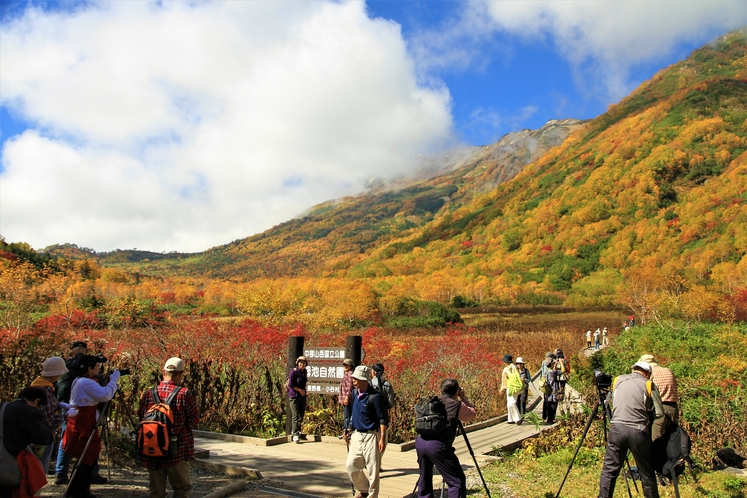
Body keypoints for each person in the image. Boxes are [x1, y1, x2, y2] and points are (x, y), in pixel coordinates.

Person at [598, 361, 664, 498]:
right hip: (638, 430)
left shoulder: (618, 380)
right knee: (646, 471)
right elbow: (660, 413)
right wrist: (648, 414)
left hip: (616, 428)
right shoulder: (648, 384)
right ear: (647, 373)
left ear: (633, 369)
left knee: (610, 469)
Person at [138, 357, 200, 498]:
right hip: (176, 450)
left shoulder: (149, 393)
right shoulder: (184, 394)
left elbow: (141, 416)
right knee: (181, 489)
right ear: (181, 374)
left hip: (152, 449)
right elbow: (195, 420)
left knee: (156, 493)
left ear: (163, 372)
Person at [63, 355, 120, 498]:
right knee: (87, 456)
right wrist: (113, 380)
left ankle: (78, 489)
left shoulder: (80, 380)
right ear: (89, 368)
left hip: (82, 420)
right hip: (84, 423)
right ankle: (80, 491)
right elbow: (105, 395)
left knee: (86, 457)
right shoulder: (86, 382)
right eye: (96, 366)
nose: (99, 369)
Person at [415, 378, 476, 498]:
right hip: (438, 446)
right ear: (456, 391)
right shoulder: (457, 405)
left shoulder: (432, 402)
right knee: (456, 481)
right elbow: (472, 414)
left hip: (420, 442)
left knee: (424, 478)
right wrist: (463, 397)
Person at [0, 387, 54, 498]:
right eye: (40, 407)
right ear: (37, 401)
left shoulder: (3, 406)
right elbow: (43, 437)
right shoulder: (29, 411)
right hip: (10, 463)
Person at [344, 365, 387, 498]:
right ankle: (364, 489)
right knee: (351, 465)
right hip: (356, 435)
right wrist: (348, 428)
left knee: (373, 470)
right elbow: (353, 414)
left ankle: (372, 496)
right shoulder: (354, 393)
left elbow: (383, 419)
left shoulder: (375, 396)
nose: (354, 380)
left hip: (371, 435)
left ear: (364, 380)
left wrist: (382, 438)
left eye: (356, 378)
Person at [55, 341, 90, 486]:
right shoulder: (87, 365)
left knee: (66, 436)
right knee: (88, 438)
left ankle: (61, 472)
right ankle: (89, 472)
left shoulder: (65, 365)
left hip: (65, 404)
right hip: (84, 406)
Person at [29, 356, 70, 475]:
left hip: (32, 435)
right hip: (42, 437)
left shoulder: (36, 385)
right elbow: (49, 421)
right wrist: (66, 415)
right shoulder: (45, 390)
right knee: (38, 472)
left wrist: (59, 404)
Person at [639, 354, 679, 441]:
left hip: (659, 409)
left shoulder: (649, 373)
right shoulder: (668, 370)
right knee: (671, 439)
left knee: (656, 440)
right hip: (673, 408)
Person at [369, 363, 395, 470]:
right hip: (383, 417)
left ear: (373, 372)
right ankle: (377, 464)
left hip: (370, 416)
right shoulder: (387, 384)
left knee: (371, 441)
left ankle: (372, 463)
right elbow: (391, 403)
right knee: (383, 441)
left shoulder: (368, 384)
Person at [287, 356, 308, 443]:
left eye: (303, 363)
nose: (302, 364)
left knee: (301, 415)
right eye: (300, 362)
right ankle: (295, 434)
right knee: (295, 416)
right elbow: (291, 385)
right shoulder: (294, 372)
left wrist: (304, 392)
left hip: (302, 396)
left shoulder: (305, 372)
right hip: (294, 396)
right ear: (297, 363)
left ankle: (297, 430)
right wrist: (299, 391)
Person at [499, 354, 521, 424]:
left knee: (512, 403)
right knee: (509, 403)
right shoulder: (506, 369)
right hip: (509, 387)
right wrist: (503, 388)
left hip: (514, 387)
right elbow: (504, 380)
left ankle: (518, 418)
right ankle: (510, 419)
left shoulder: (514, 368)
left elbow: (516, 377)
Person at [338, 358, 355, 435]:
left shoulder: (350, 374)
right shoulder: (347, 374)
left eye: (347, 365)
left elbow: (349, 387)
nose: (345, 366)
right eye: (344, 365)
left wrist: (347, 398)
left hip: (347, 399)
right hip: (346, 399)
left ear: (351, 366)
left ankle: (346, 432)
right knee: (347, 415)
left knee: (347, 416)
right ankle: (347, 431)